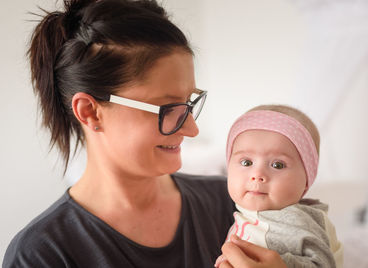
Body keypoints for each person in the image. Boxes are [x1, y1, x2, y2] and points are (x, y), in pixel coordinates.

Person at [3, 0, 289, 267]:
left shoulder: (231, 203)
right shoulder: (42, 254)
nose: (191, 129)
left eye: (189, 103)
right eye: (168, 108)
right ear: (90, 111)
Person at [215, 105, 343, 268]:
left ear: (306, 180)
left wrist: (284, 264)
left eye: (277, 165)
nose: (257, 174)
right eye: (246, 162)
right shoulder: (247, 214)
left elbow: (323, 263)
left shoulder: (295, 221)